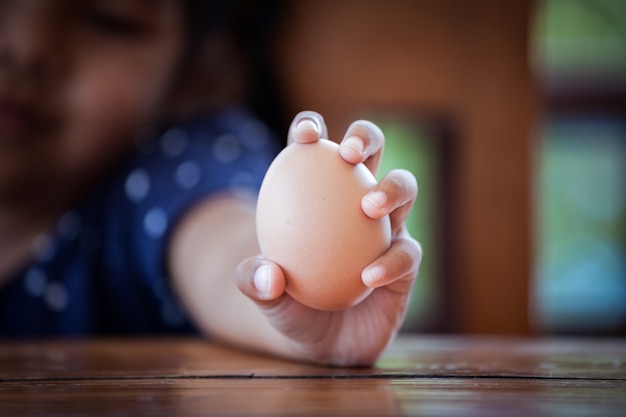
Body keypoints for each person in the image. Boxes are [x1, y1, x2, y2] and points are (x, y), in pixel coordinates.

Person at [0, 0, 421, 367]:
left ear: (195, 74)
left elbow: (221, 248)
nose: (27, 46)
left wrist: (307, 301)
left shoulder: (165, 171)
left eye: (110, 18)